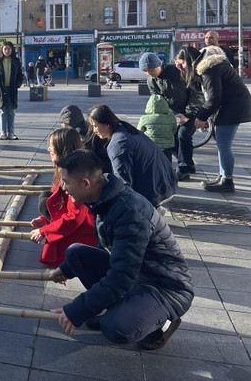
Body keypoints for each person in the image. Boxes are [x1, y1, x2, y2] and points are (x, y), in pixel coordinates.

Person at [49, 150, 193, 351]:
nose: (63, 188)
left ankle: (163, 323)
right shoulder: (104, 198)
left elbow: (121, 276)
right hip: (138, 274)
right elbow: (108, 246)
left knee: (115, 328)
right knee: (75, 254)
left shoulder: (130, 212)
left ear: (85, 183)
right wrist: (67, 268)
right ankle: (120, 306)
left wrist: (77, 309)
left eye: (66, 182)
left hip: (165, 286)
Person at [176, 44, 251, 193]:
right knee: (221, 144)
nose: (182, 68)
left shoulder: (208, 69)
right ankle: (223, 176)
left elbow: (214, 97)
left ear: (188, 60)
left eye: (182, 64)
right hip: (232, 105)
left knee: (224, 145)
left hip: (233, 107)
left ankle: (227, 181)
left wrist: (201, 117)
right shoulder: (210, 66)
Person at [29, 128, 96, 268]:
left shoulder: (76, 173)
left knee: (56, 252)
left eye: (51, 146)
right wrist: (44, 220)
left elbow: (74, 217)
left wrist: (44, 231)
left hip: (86, 231)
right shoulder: (70, 167)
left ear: (61, 148)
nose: (48, 149)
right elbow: (64, 204)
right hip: (81, 224)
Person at [87, 105, 177, 207]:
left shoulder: (118, 145)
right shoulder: (125, 129)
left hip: (155, 191)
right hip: (166, 182)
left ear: (107, 124)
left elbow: (122, 183)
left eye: (95, 126)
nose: (94, 130)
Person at [141, 51, 203, 181]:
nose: (149, 73)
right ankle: (189, 164)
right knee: (172, 137)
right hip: (173, 114)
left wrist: (187, 114)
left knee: (183, 135)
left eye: (151, 70)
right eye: (145, 71)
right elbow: (156, 100)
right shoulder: (151, 80)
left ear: (159, 65)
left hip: (191, 110)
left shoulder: (178, 72)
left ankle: (184, 169)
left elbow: (195, 94)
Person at [58, 105, 112, 174]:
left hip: (101, 168)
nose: (62, 126)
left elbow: (86, 157)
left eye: (63, 124)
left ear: (67, 123)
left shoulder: (82, 135)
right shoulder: (84, 127)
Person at [0, 41, 24, 141]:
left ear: (12, 50)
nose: (7, 51)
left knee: (11, 111)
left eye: (9, 49)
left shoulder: (16, 61)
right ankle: (3, 132)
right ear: (2, 50)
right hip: (1, 89)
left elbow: (20, 75)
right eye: (5, 49)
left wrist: (18, 84)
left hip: (12, 88)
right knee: (3, 111)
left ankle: (11, 132)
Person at [137, 95, 177, 164]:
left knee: (151, 163)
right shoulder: (171, 118)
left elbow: (139, 131)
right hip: (167, 146)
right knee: (167, 163)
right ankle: (167, 173)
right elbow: (174, 130)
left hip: (150, 145)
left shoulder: (144, 118)